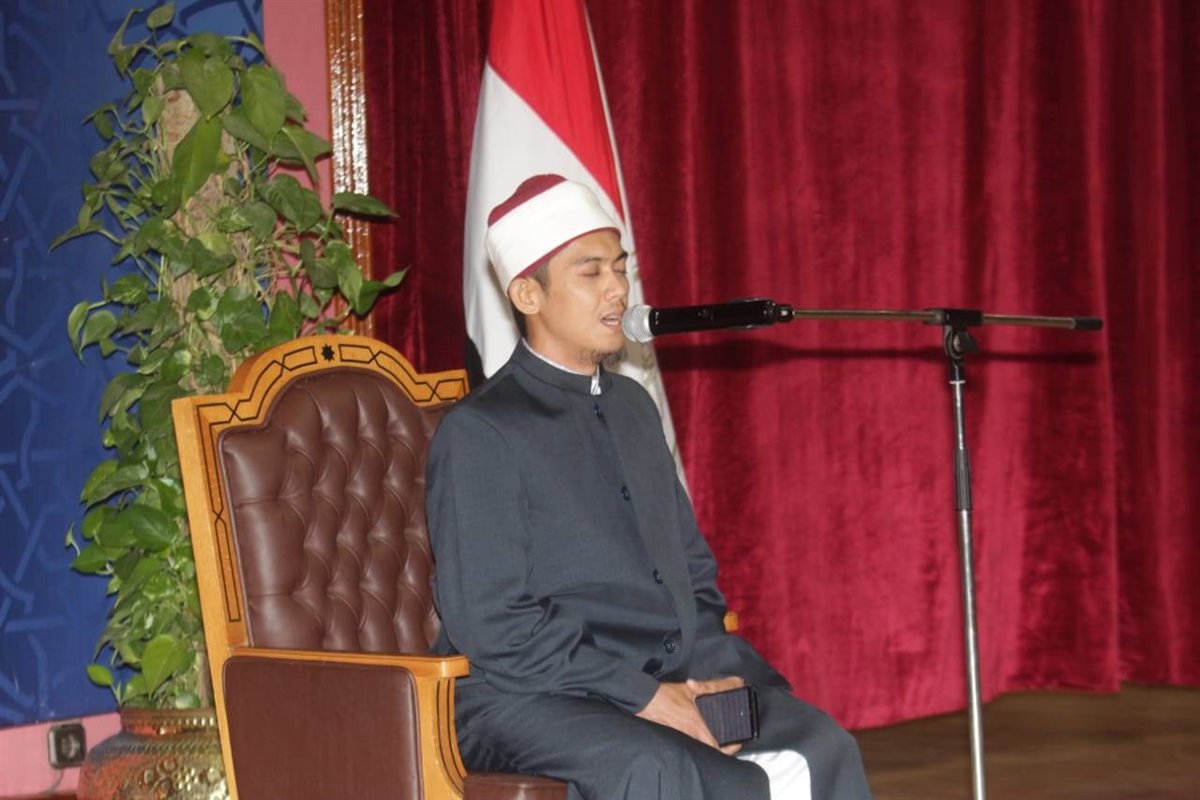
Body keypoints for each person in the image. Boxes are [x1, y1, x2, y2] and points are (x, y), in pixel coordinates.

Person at [427, 174, 872, 800]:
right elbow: (494, 625)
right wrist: (646, 697)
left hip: (661, 674)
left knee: (822, 744)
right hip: (527, 693)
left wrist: (710, 671)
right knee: (665, 769)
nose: (617, 288)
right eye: (591, 273)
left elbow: (690, 570)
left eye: (620, 268)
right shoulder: (482, 430)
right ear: (528, 293)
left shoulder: (632, 406)